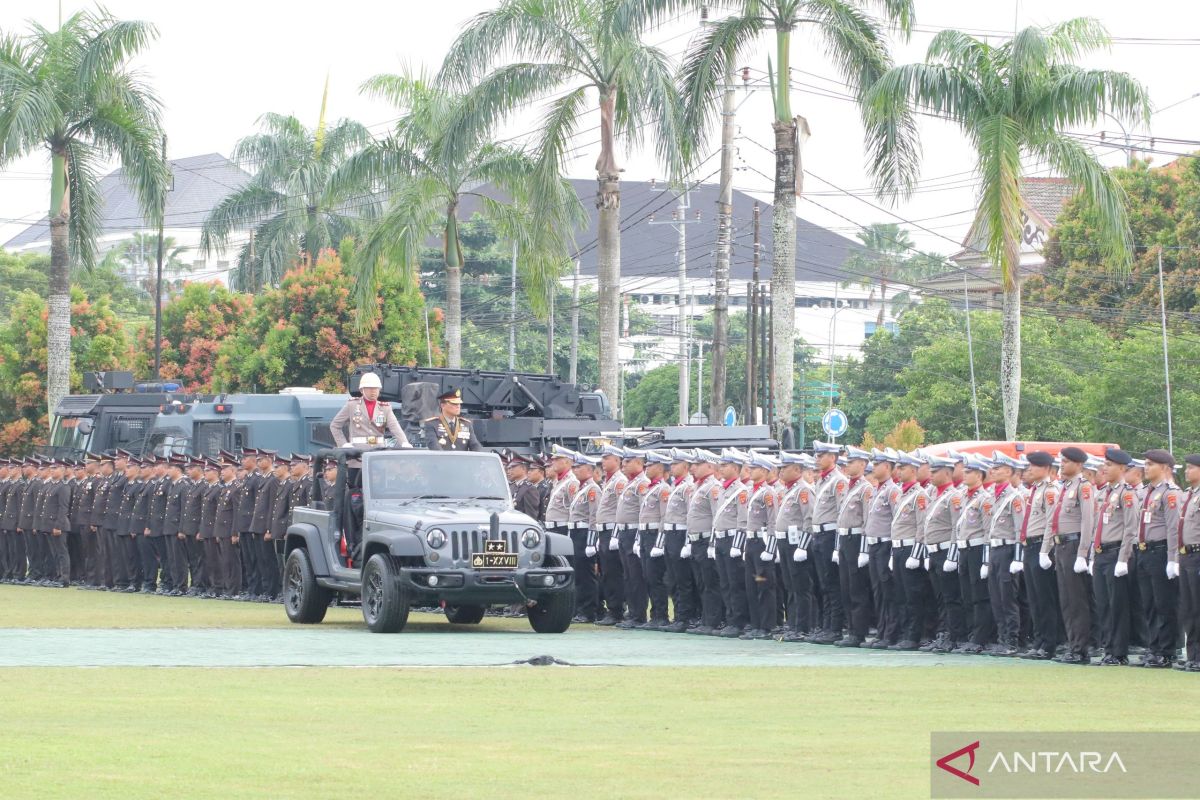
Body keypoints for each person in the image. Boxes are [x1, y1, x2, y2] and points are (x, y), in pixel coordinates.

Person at [1170, 454, 1200, 671]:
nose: (1186, 471)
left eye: (1191, 468)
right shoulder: (1188, 495)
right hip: (1186, 555)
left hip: (1198, 555)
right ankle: (1193, 655)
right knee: (1188, 609)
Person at [330, 372, 411, 449]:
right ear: (362, 390)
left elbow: (395, 427)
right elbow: (335, 425)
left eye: (376, 388)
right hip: (356, 453)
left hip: (378, 452)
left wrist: (404, 442)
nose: (373, 391)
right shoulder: (352, 405)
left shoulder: (385, 407)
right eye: (369, 388)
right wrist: (343, 444)